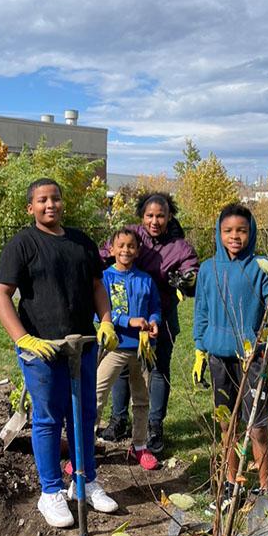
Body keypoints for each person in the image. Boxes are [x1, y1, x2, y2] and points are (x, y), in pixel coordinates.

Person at [0, 178, 120, 529]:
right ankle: (50, 491)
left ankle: (84, 481)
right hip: (43, 348)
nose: (51, 205)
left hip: (82, 345)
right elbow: (1, 294)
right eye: (42, 200)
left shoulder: (81, 242)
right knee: (48, 418)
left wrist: (105, 321)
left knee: (83, 414)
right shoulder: (23, 244)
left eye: (56, 198)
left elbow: (97, 286)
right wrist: (23, 339)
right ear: (30, 207)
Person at [100, 192, 199, 454]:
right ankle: (118, 420)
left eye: (160, 216)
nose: (154, 221)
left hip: (160, 317)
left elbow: (193, 270)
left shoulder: (179, 247)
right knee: (121, 369)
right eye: (149, 215)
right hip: (124, 322)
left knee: (157, 371)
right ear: (142, 216)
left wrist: (188, 279)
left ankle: (155, 426)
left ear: (169, 217)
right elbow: (104, 253)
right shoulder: (131, 234)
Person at [192, 203, 268, 505]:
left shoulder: (261, 267)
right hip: (218, 358)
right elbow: (201, 309)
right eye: (228, 231)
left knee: (257, 427)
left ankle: (265, 488)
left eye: (241, 230)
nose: (235, 236)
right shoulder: (208, 268)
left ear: (250, 233)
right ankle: (230, 484)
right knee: (227, 425)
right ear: (219, 233)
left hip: (252, 359)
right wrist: (200, 347)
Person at [95, 227, 161, 470]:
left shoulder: (146, 279)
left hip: (143, 349)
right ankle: (86, 445)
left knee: (142, 398)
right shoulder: (105, 278)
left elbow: (155, 307)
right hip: (115, 347)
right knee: (97, 394)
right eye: (120, 245)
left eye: (131, 246)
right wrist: (126, 321)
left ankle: (140, 446)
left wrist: (154, 321)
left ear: (138, 250)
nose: (125, 250)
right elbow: (99, 312)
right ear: (111, 249)